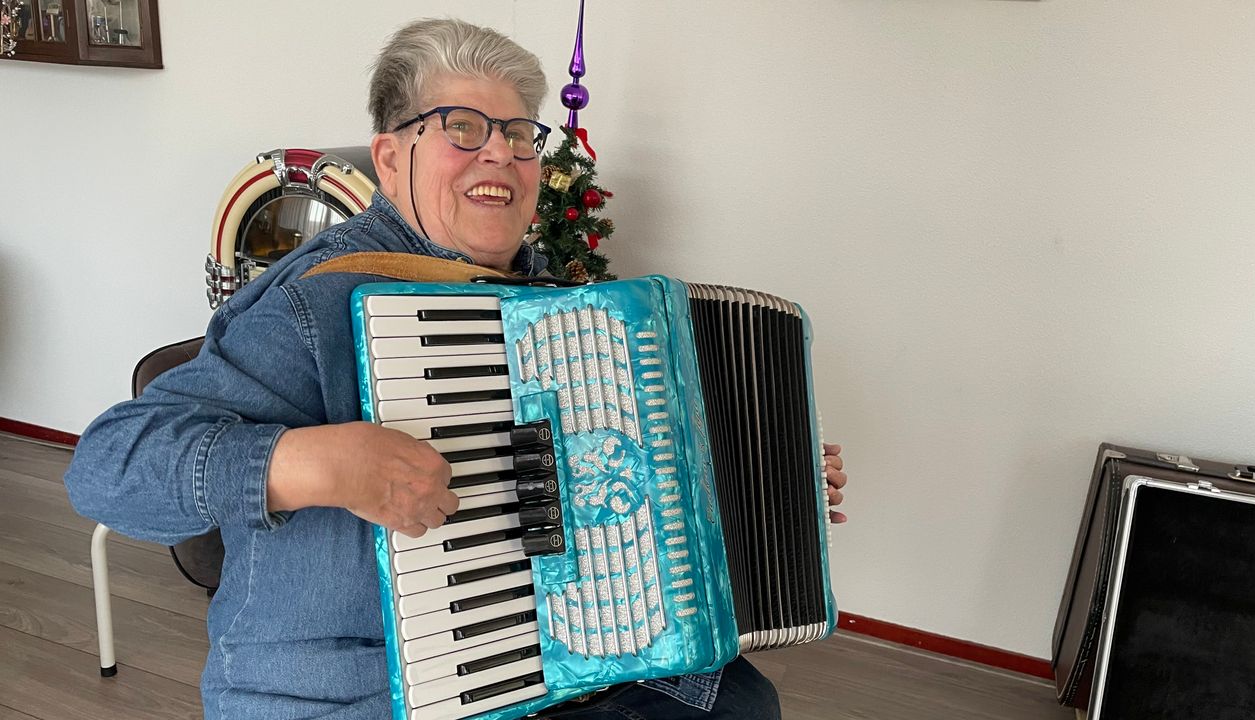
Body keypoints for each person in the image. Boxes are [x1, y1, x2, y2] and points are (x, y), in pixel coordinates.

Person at [64, 17, 849, 720]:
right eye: (463, 128)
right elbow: (103, 469)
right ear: (389, 155)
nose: (499, 154)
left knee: (739, 699)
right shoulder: (315, 304)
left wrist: (758, 482)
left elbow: (607, 479)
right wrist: (306, 463)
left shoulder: (547, 304)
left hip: (546, 663)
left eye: (517, 134)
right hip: (349, 693)